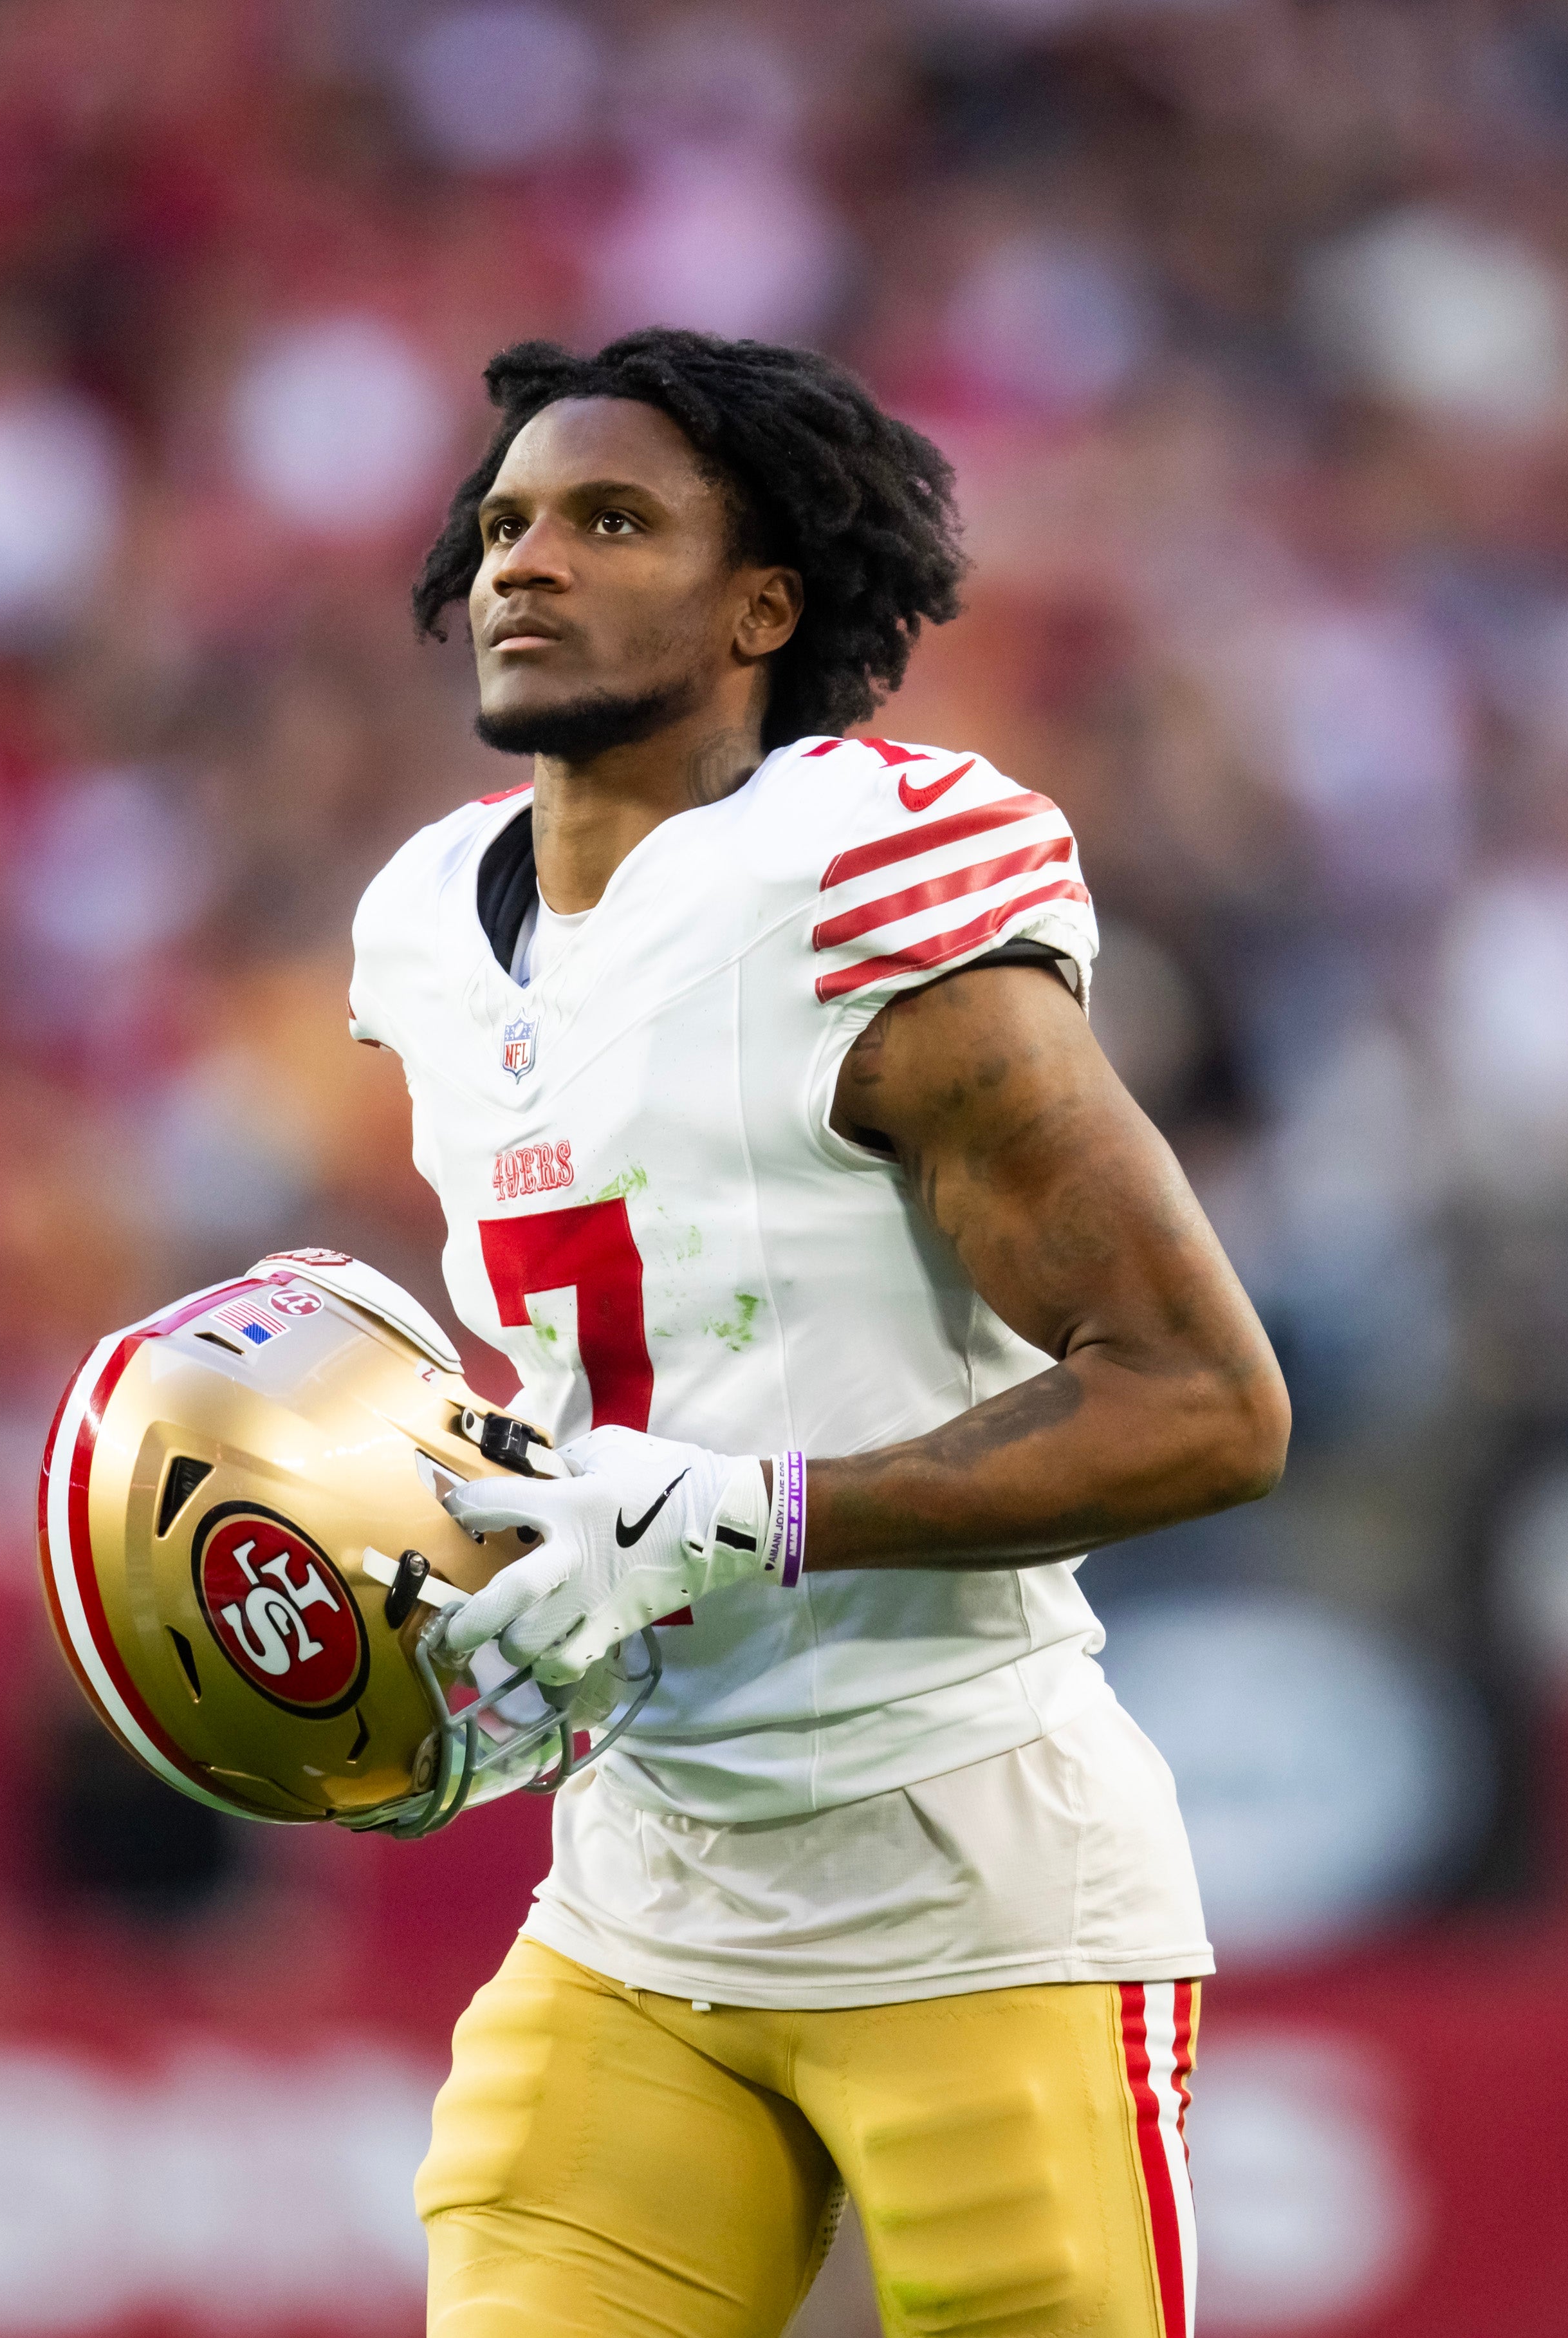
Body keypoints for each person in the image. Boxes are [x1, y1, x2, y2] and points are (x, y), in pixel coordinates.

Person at [346, 328, 1293, 2338]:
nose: (528, 559)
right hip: (642, 1892)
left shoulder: (853, 879)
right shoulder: (430, 926)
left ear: (764, 603)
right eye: (507, 520)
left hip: (973, 1890)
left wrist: (747, 1512)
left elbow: (1209, 1405)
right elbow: (585, 1406)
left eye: (612, 520)